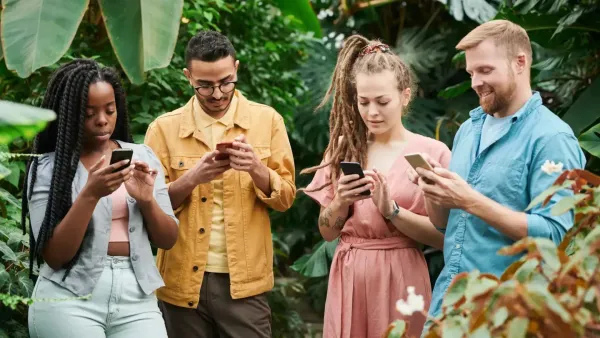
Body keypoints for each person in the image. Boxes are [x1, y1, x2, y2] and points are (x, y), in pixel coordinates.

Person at [405, 20, 587, 325]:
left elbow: (556, 235)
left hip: (510, 312)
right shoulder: (467, 130)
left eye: (485, 70)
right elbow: (446, 227)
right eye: (471, 73)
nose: (476, 82)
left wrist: (469, 200)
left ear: (520, 63)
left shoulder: (552, 138)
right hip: (450, 306)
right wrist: (433, 188)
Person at [144, 30, 296, 337]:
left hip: (245, 285)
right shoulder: (163, 129)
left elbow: (286, 199)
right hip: (181, 283)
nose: (217, 94)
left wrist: (257, 169)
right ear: (188, 77)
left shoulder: (267, 121)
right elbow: (148, 209)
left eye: (226, 82)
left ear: (236, 69)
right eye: (205, 85)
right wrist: (192, 178)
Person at [301, 35, 451, 338]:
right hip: (350, 275)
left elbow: (443, 237)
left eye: (382, 102)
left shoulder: (432, 154)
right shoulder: (343, 148)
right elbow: (327, 231)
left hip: (402, 274)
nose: (371, 112)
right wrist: (340, 201)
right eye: (363, 102)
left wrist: (392, 211)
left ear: (405, 96)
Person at [22, 59, 179, 338]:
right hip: (68, 298)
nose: (103, 120)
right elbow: (55, 256)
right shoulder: (48, 168)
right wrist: (90, 194)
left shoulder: (142, 156)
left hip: (137, 298)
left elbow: (167, 239)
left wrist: (146, 200)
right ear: (68, 113)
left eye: (110, 110)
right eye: (89, 112)